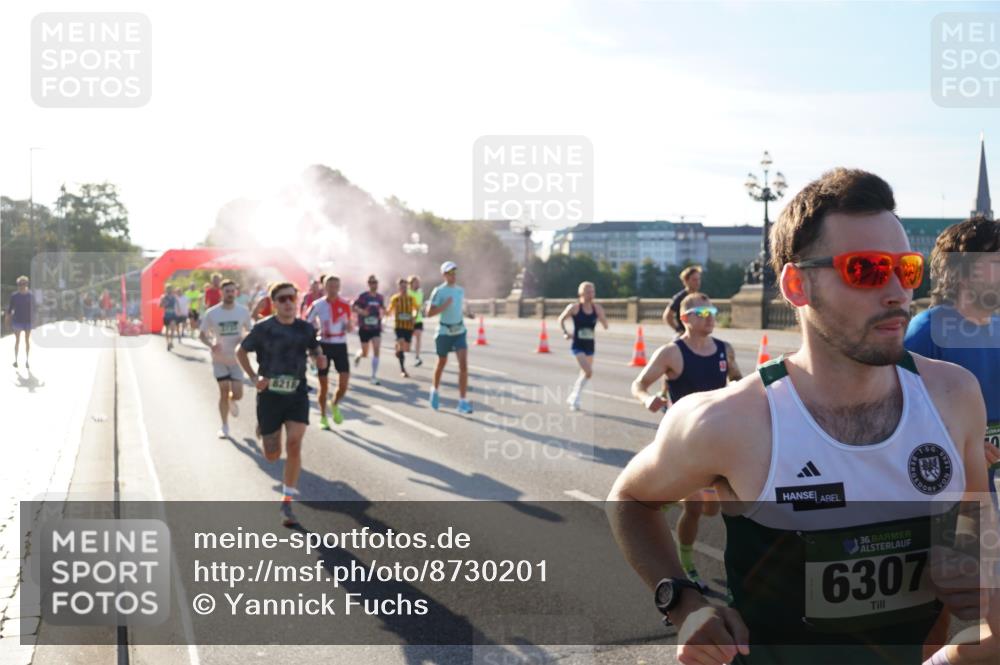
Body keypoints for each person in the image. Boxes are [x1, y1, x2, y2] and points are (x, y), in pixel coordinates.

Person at [607, 168, 996, 664]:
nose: (899, 291)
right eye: (868, 270)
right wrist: (685, 604)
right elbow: (630, 499)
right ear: (796, 285)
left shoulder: (954, 394)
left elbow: (975, 512)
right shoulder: (728, 420)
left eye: (909, 270)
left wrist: (969, 554)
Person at [904, 217, 1000, 662]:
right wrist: (959, 445)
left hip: (986, 495)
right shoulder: (926, 331)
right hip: (938, 497)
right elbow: (893, 417)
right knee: (932, 616)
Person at [630, 292, 742, 592]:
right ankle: (687, 564)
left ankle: (667, 497)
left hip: (716, 440)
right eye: (702, 312)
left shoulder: (724, 350)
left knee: (712, 510)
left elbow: (738, 380)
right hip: (683, 441)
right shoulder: (672, 353)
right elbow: (638, 383)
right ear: (685, 319)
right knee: (694, 509)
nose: (709, 317)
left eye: (713, 311)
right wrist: (647, 399)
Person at [237, 282, 327, 527]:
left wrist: (319, 358)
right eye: (283, 299)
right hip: (270, 396)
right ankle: (264, 428)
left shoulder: (305, 328)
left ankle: (287, 501)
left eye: (292, 298)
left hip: (296, 392)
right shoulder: (263, 329)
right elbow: (240, 352)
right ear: (274, 303)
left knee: (295, 442)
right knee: (272, 455)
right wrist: (255, 378)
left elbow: (315, 348)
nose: (288, 303)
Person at [200, 280, 252, 438]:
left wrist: (244, 338)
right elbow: (202, 334)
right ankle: (224, 426)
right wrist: (211, 344)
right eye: (227, 291)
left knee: (237, 394)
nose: (230, 293)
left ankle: (232, 400)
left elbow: (249, 331)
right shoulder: (212, 313)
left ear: (236, 292)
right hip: (219, 358)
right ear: (221, 293)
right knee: (223, 391)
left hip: (236, 359)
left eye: (232, 291)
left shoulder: (243, 311)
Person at [304, 275, 354, 429]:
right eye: (330, 286)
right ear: (324, 288)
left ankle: (334, 404)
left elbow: (350, 325)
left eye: (336, 286)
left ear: (339, 287)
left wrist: (349, 327)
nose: (333, 290)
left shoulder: (345, 304)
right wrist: (312, 342)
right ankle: (324, 417)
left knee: (344, 384)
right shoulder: (317, 305)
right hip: (324, 345)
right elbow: (307, 323)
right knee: (323, 385)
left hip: (340, 345)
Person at [427, 261, 474, 413]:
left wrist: (468, 314)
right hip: (444, 333)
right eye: (449, 273)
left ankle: (462, 401)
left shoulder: (460, 291)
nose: (453, 275)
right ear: (444, 275)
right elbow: (429, 313)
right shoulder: (439, 291)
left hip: (459, 331)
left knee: (463, 365)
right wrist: (443, 307)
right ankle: (434, 390)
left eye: (454, 272)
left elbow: (460, 308)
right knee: (441, 363)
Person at [557, 281, 609, 411]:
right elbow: (561, 319)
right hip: (578, 344)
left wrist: (602, 319)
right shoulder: (574, 308)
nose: (591, 294)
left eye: (592, 291)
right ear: (581, 293)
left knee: (586, 374)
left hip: (590, 344)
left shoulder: (597, 308)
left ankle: (573, 395)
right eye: (588, 291)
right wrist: (565, 332)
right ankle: (575, 399)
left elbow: (606, 325)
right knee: (588, 370)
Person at [352, 274, 386, 384]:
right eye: (371, 282)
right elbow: (354, 307)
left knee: (376, 349)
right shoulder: (363, 296)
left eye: (375, 282)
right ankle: (359, 355)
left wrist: (384, 313)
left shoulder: (380, 297)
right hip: (364, 327)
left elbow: (383, 309)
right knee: (365, 353)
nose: (374, 284)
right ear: (368, 284)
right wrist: (362, 312)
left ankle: (373, 376)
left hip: (376, 327)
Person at [387, 277, 419, 378]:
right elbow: (390, 310)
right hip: (399, 326)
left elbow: (416, 309)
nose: (404, 289)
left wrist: (414, 316)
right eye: (402, 287)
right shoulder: (395, 299)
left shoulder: (411, 298)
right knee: (401, 344)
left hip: (409, 326)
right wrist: (386, 313)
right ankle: (403, 370)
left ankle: (398, 350)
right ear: (399, 288)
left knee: (406, 349)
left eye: (405, 287)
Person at [662, 265, 703, 336]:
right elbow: (667, 316)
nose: (697, 282)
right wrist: (678, 330)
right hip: (684, 336)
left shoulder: (700, 297)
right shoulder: (679, 297)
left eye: (699, 279)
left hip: (698, 336)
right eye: (694, 280)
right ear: (686, 281)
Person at [7, 276, 33, 369]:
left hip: (28, 321)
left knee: (27, 340)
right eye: (19, 284)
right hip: (17, 321)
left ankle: (27, 360)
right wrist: (8, 321)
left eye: (23, 284)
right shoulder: (14, 296)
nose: (21, 286)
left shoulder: (31, 295)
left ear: (27, 284)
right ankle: (16, 360)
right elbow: (9, 310)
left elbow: (35, 309)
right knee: (17, 340)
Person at [408, 275, 425, 366]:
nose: (417, 284)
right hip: (408, 320)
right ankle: (406, 354)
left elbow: (419, 306)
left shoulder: (420, 293)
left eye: (418, 282)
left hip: (418, 319)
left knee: (418, 337)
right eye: (415, 282)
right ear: (411, 284)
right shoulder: (407, 292)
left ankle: (417, 356)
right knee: (408, 341)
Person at [159, 285, 181, 351]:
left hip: (173, 314)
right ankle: (168, 343)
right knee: (167, 330)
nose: (169, 290)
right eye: (168, 289)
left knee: (172, 328)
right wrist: (164, 303)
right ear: (166, 290)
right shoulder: (163, 297)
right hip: (166, 315)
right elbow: (160, 306)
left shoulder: (174, 297)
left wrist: (179, 310)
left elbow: (178, 304)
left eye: (170, 289)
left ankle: (171, 341)